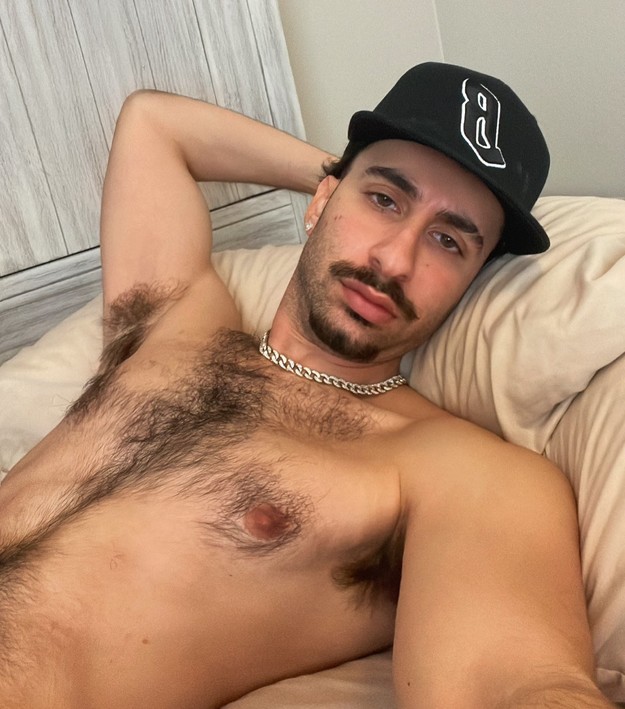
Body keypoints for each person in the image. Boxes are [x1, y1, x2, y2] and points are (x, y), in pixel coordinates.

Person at [0, 62, 614, 708]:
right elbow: (153, 125)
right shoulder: (175, 326)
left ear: (471, 282)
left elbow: (515, 680)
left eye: (447, 241)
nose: (393, 260)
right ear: (321, 202)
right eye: (384, 200)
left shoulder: (455, 468)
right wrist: (338, 170)